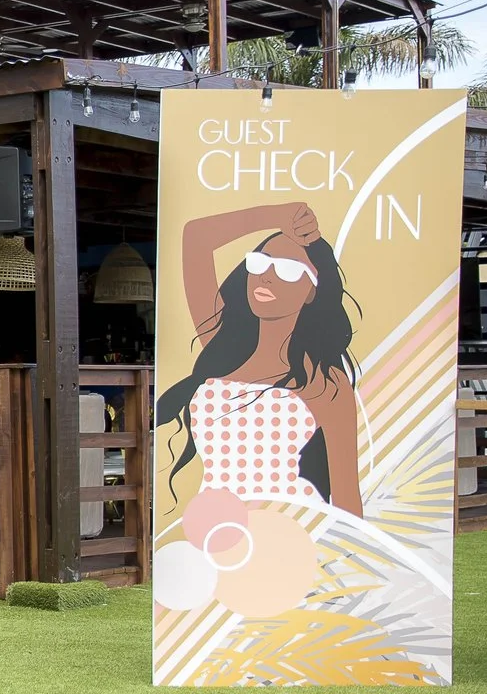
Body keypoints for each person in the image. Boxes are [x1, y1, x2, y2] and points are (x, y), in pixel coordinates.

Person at [155, 200, 361, 515]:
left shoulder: (325, 382)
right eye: (260, 263)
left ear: (312, 292)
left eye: (288, 270)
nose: (266, 277)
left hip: (288, 526)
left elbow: (347, 498)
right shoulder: (223, 343)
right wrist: (276, 216)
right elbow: (196, 237)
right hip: (213, 528)